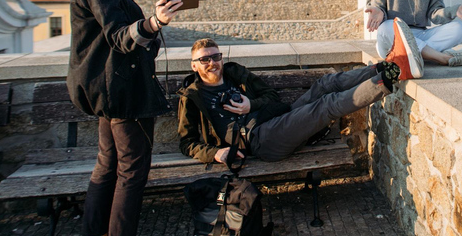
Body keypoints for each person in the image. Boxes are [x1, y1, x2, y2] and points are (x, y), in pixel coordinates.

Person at [67, 0, 184, 236]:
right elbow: (119, 37)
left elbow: (119, 32)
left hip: (109, 84)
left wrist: (153, 15)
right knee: (132, 171)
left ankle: (95, 233)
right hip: (120, 88)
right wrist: (156, 22)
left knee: (108, 163)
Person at [178, 20, 421, 164]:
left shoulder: (235, 75)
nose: (212, 63)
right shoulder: (193, 96)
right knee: (325, 105)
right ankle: (392, 75)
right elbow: (187, 143)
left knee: (325, 84)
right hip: (261, 141)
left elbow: (272, 98)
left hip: (275, 118)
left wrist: (250, 105)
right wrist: (215, 153)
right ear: (194, 65)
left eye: (215, 57)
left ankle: (387, 66)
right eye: (204, 60)